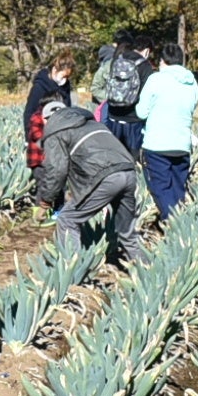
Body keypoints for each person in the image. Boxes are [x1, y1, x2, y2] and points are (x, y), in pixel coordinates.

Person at [34, 86, 143, 265]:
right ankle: (146, 270)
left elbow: (56, 170)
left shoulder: (55, 130)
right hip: (128, 171)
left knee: (67, 219)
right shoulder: (89, 121)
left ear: (46, 119)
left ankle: (72, 273)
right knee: (127, 233)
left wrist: (46, 202)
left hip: (104, 177)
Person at [135, 42, 198, 219]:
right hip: (182, 145)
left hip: (157, 145)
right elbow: (193, 106)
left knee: (160, 188)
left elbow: (141, 112)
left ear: (162, 61)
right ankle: (180, 224)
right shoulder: (191, 82)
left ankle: (175, 224)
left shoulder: (156, 79)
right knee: (178, 188)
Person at [91, 33, 151, 161]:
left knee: (114, 157)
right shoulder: (145, 66)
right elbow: (147, 95)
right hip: (133, 120)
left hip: (113, 116)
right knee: (132, 160)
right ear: (147, 50)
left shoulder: (117, 59)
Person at [23, 49, 77, 172]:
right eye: (64, 75)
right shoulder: (39, 88)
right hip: (41, 132)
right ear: (55, 70)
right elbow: (29, 112)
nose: (66, 79)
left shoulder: (65, 86)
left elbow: (67, 107)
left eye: (68, 76)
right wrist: (28, 137)